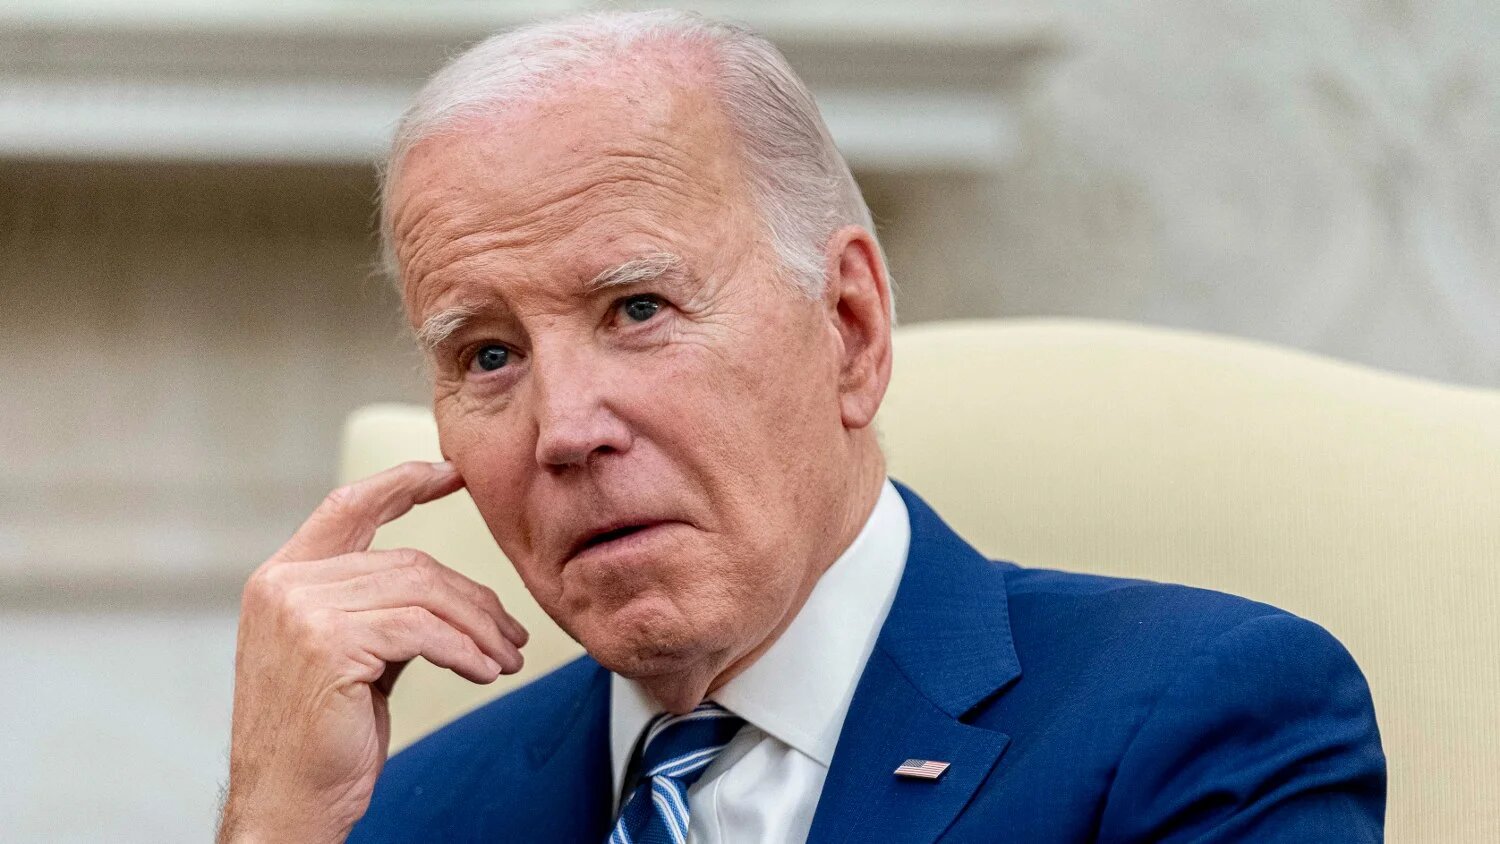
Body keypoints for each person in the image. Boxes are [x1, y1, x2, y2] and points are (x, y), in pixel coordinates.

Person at [217, 10, 1385, 843]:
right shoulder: (404, 814)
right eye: (488, 354)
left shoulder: (1194, 719)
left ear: (851, 326)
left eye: (637, 308)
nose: (563, 429)